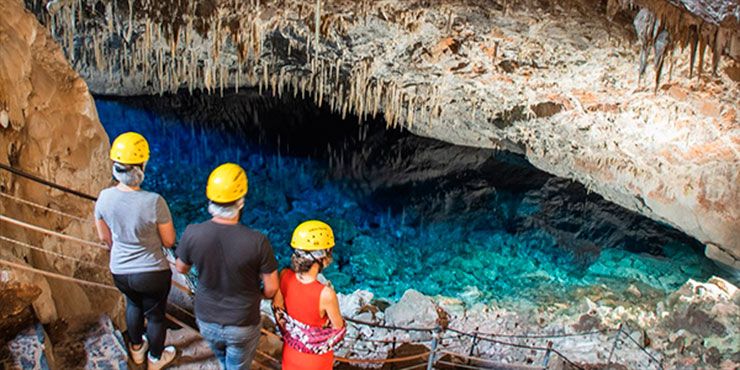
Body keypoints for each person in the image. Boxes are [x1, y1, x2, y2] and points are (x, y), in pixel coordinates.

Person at [175, 163, 279, 370]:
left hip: (206, 319)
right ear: (241, 201)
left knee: (222, 356)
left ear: (210, 199)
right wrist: (256, 293)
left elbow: (180, 268)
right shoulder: (258, 241)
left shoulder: (192, 233)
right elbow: (271, 288)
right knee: (237, 365)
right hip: (242, 322)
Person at [94, 132, 177, 369]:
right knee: (156, 316)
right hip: (152, 272)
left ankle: (137, 351)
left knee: (133, 305)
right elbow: (169, 240)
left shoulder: (104, 198)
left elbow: (104, 238)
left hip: (121, 271)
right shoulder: (154, 201)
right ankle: (155, 359)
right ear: (141, 166)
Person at [274, 220, 345, 370]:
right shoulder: (326, 294)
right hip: (316, 361)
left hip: (291, 352)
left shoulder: (285, 275)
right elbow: (338, 328)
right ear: (323, 258)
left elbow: (277, 308)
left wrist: (296, 331)